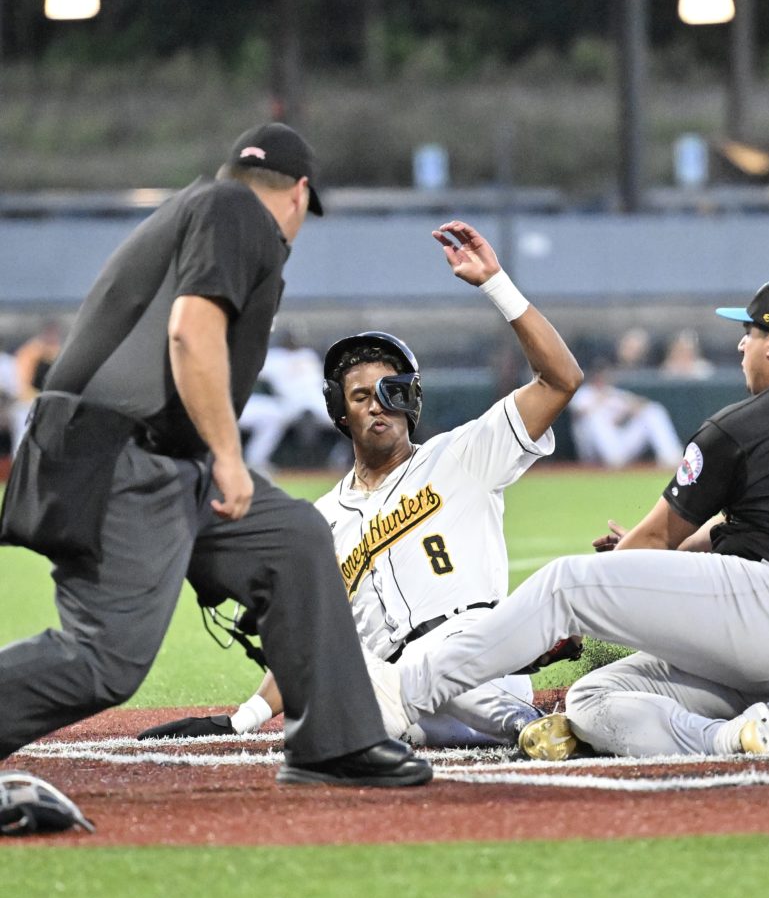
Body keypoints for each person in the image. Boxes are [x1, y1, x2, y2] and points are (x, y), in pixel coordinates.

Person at [0, 121, 431, 789]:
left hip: (150, 453)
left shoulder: (205, 205)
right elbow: (190, 333)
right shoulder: (238, 212)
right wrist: (229, 460)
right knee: (105, 660)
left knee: (292, 539)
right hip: (123, 455)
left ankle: (334, 743)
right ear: (299, 195)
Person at [366, 278, 769, 762]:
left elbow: (656, 536)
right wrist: (640, 570)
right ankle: (732, 737)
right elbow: (743, 526)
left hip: (767, 611)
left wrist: (619, 575)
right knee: (591, 700)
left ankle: (404, 691)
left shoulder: (741, 426)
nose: (740, 347)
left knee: (565, 587)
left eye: (747, 334)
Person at [138, 219, 584, 747]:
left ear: (411, 399)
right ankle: (521, 731)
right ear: (339, 413)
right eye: (361, 394)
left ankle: (526, 726)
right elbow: (310, 641)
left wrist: (495, 284)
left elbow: (561, 379)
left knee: (433, 656)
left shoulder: (463, 455)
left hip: (478, 655)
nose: (379, 403)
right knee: (336, 679)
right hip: (401, 696)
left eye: (392, 389)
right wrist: (241, 720)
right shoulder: (323, 521)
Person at [238, 327, 341, 474]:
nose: (293, 342)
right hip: (290, 405)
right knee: (273, 417)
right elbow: (252, 372)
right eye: (290, 338)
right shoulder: (274, 356)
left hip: (318, 402)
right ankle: (256, 462)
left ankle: (344, 459)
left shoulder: (307, 354)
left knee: (349, 419)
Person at [569, 360, 684, 468]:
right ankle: (614, 459)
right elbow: (578, 412)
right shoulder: (584, 394)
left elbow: (642, 404)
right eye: (598, 375)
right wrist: (601, 404)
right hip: (593, 452)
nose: (601, 378)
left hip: (619, 445)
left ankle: (671, 457)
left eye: (604, 374)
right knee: (595, 418)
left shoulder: (612, 393)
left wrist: (627, 412)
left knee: (653, 411)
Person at [9, 319, 64, 453]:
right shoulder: (30, 352)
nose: (53, 337)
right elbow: (22, 381)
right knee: (22, 439)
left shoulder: (59, 351)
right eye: (50, 333)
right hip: (28, 404)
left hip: (51, 403)